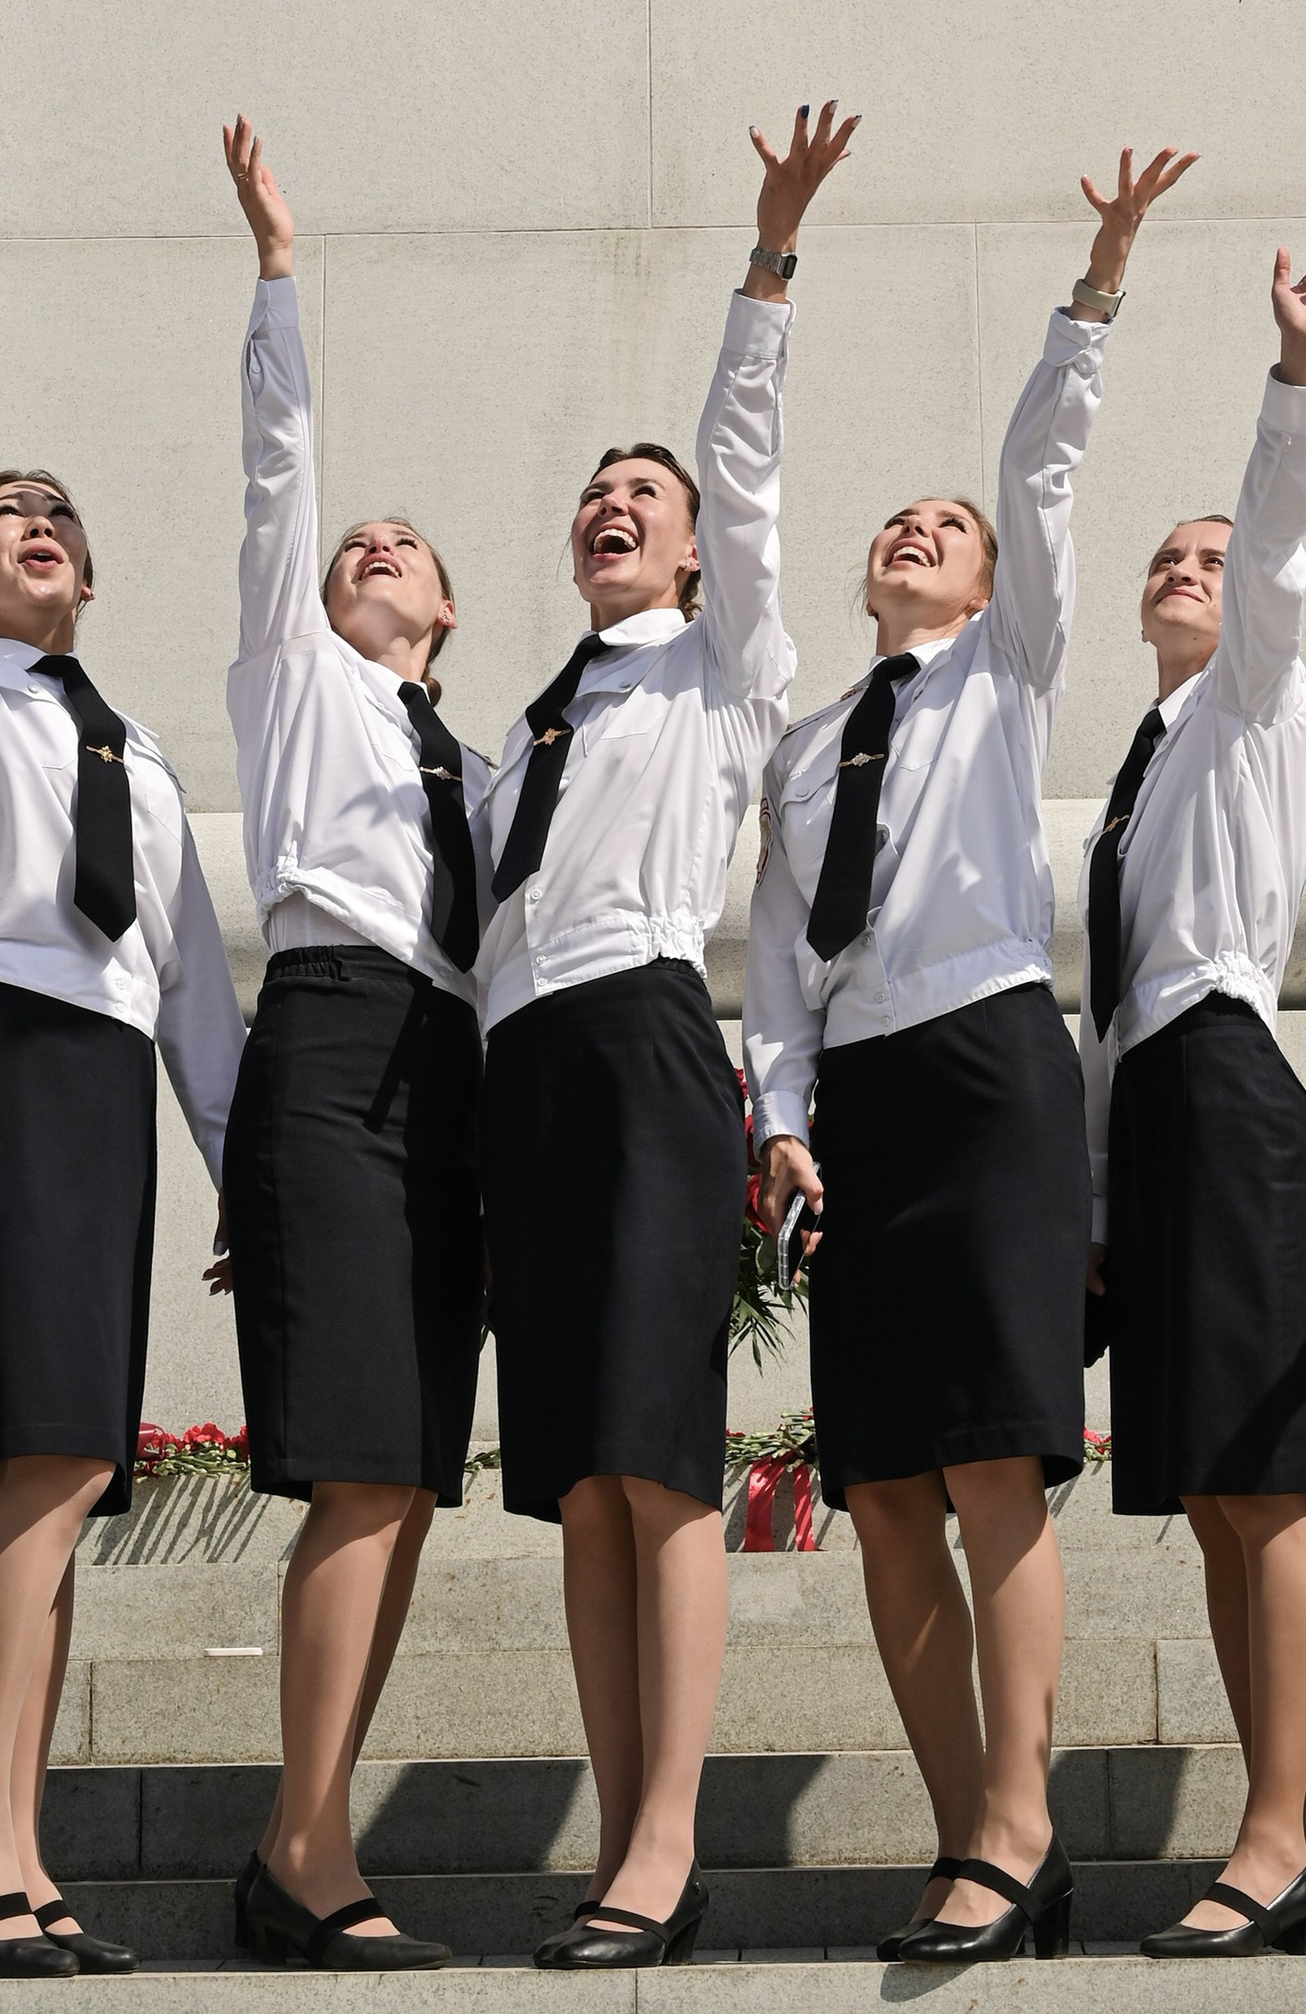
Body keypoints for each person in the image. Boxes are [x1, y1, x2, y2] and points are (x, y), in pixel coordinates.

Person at [747, 145, 1196, 1970]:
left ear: (997, 583)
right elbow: (774, 962)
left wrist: (1091, 288)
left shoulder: (1010, 673)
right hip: (862, 1099)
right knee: (877, 1490)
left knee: (997, 1464)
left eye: (952, 528)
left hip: (997, 1065)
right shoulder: (797, 746)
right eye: (901, 527)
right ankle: (971, 1830)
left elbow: (1042, 470)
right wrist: (778, 1117)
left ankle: (1017, 1823)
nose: (920, 534)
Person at [0, 182, 245, 1983]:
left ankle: (4, 1830)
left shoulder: (139, 754)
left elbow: (197, 997)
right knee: (51, 1455)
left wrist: (249, 1180)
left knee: (72, 1467)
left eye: (57, 519)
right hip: (10, 1057)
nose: (28, 529)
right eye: (13, 515)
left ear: (95, 572)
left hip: (107, 1093)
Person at [476, 105, 852, 1973]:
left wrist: (765, 269)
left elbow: (752, 474)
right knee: (575, 1484)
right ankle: (625, 1837)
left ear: (697, 559)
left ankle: (667, 1840)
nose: (612, 506)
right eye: (594, 493)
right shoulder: (534, 716)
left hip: (639, 1048)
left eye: (647, 498)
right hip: (527, 1070)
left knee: (658, 1461)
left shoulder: (723, 670)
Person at [1080, 224, 1306, 1960]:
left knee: (1261, 1477)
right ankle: (1292, 1831)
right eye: (1170, 558)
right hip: (1161, 1111)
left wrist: (1298, 373)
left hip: (1238, 1078)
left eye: (1213, 554)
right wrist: (1109, 1208)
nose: (1197, 570)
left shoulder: (1260, 692)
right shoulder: (1141, 761)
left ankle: (1273, 1836)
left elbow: (1273, 543)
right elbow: (1108, 1021)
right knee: (1206, 1487)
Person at [216, 116, 484, 1971]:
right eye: (358, 547)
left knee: (402, 1477)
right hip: (325, 1038)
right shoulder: (295, 684)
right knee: (355, 1467)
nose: (373, 548)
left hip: (451, 1070)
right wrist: (280, 276)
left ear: (447, 614)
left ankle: (307, 1833)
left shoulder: (484, 755)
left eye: (411, 547)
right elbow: (277, 477)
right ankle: (307, 1846)